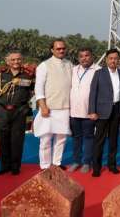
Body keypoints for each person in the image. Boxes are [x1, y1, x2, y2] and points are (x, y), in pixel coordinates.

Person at [34, 39, 73, 170]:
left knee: (61, 139)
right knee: (45, 139)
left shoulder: (69, 64)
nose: (61, 51)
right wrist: (43, 106)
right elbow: (38, 87)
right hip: (49, 108)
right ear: (52, 50)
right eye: (58, 49)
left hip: (65, 107)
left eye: (63, 48)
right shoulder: (44, 65)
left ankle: (56, 163)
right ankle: (45, 165)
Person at [0, 50, 34, 175]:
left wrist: (20, 82)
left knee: (17, 139)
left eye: (18, 59)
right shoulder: (1, 75)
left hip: (20, 110)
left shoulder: (28, 75)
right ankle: (4, 166)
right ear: (7, 61)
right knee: (2, 139)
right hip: (3, 110)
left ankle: (15, 166)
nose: (16, 62)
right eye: (13, 59)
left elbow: (33, 87)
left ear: (22, 60)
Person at [88, 48, 120, 177]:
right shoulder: (99, 73)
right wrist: (92, 111)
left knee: (113, 140)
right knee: (99, 140)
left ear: (118, 60)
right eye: (111, 58)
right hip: (101, 112)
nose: (113, 61)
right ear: (106, 59)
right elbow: (93, 93)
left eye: (116, 58)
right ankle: (96, 167)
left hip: (116, 110)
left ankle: (112, 165)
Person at [67, 48, 99, 173]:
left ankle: (86, 162)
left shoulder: (98, 70)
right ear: (78, 58)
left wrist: (95, 110)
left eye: (87, 55)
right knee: (76, 138)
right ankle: (76, 161)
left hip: (89, 112)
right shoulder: (73, 70)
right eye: (81, 56)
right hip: (74, 111)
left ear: (91, 57)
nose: (84, 58)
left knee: (89, 137)